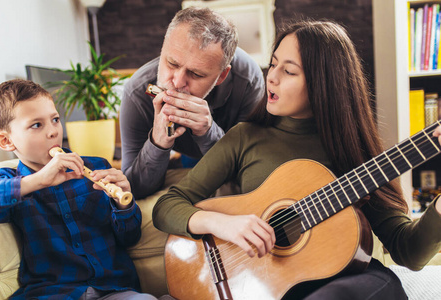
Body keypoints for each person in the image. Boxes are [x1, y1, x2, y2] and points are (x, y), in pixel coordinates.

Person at [153, 20, 441, 299]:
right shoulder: (245, 137)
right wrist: (221, 224)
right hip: (270, 288)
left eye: (288, 71)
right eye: (274, 63)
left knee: (381, 284)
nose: (272, 76)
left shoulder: (358, 155)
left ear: (323, 84)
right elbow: (166, 207)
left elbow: (409, 253)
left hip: (346, 285)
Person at [0, 79, 157, 299]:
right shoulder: (12, 181)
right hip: (53, 293)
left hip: (114, 289)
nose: (52, 132)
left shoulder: (97, 166)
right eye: (36, 125)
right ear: (6, 141)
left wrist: (123, 204)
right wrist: (39, 181)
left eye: (55, 120)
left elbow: (130, 237)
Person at [120, 6, 265, 199]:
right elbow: (132, 189)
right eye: (172, 63)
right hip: (180, 156)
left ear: (222, 76)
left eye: (196, 74)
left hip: (221, 149)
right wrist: (158, 142)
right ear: (163, 49)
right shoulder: (136, 93)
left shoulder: (248, 80)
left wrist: (209, 131)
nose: (178, 82)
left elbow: (251, 172)